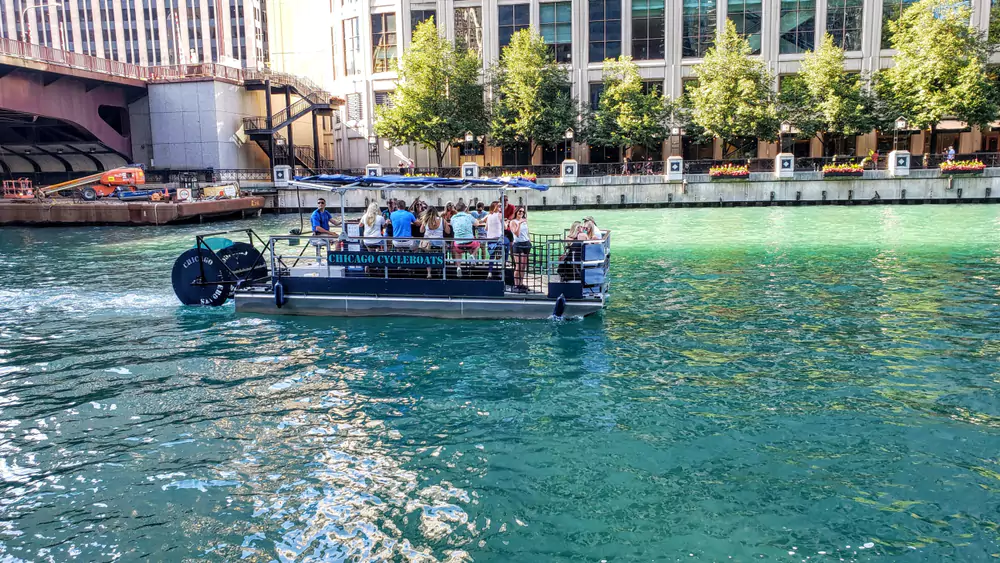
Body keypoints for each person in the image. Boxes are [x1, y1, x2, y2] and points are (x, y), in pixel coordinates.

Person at [449, 201, 481, 277]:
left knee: (458, 252)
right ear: (464, 208)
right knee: (477, 243)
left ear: (456, 209)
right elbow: (477, 223)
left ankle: (458, 267)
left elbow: (452, 225)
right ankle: (472, 255)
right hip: (470, 242)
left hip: (458, 244)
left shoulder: (453, 217)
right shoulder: (468, 216)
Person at [419, 207, 446, 278]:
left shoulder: (426, 220)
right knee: (444, 248)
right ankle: (440, 270)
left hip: (428, 243)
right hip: (439, 243)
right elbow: (448, 231)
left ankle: (429, 273)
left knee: (428, 256)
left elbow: (421, 231)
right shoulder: (442, 220)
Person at [509, 207, 531, 291]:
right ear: (516, 212)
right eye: (519, 211)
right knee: (518, 266)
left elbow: (527, 232)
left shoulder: (524, 221)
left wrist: (529, 240)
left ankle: (521, 283)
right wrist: (519, 223)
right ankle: (516, 284)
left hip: (526, 243)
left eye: (522, 211)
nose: (521, 213)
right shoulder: (513, 222)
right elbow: (516, 234)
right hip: (518, 244)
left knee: (524, 266)